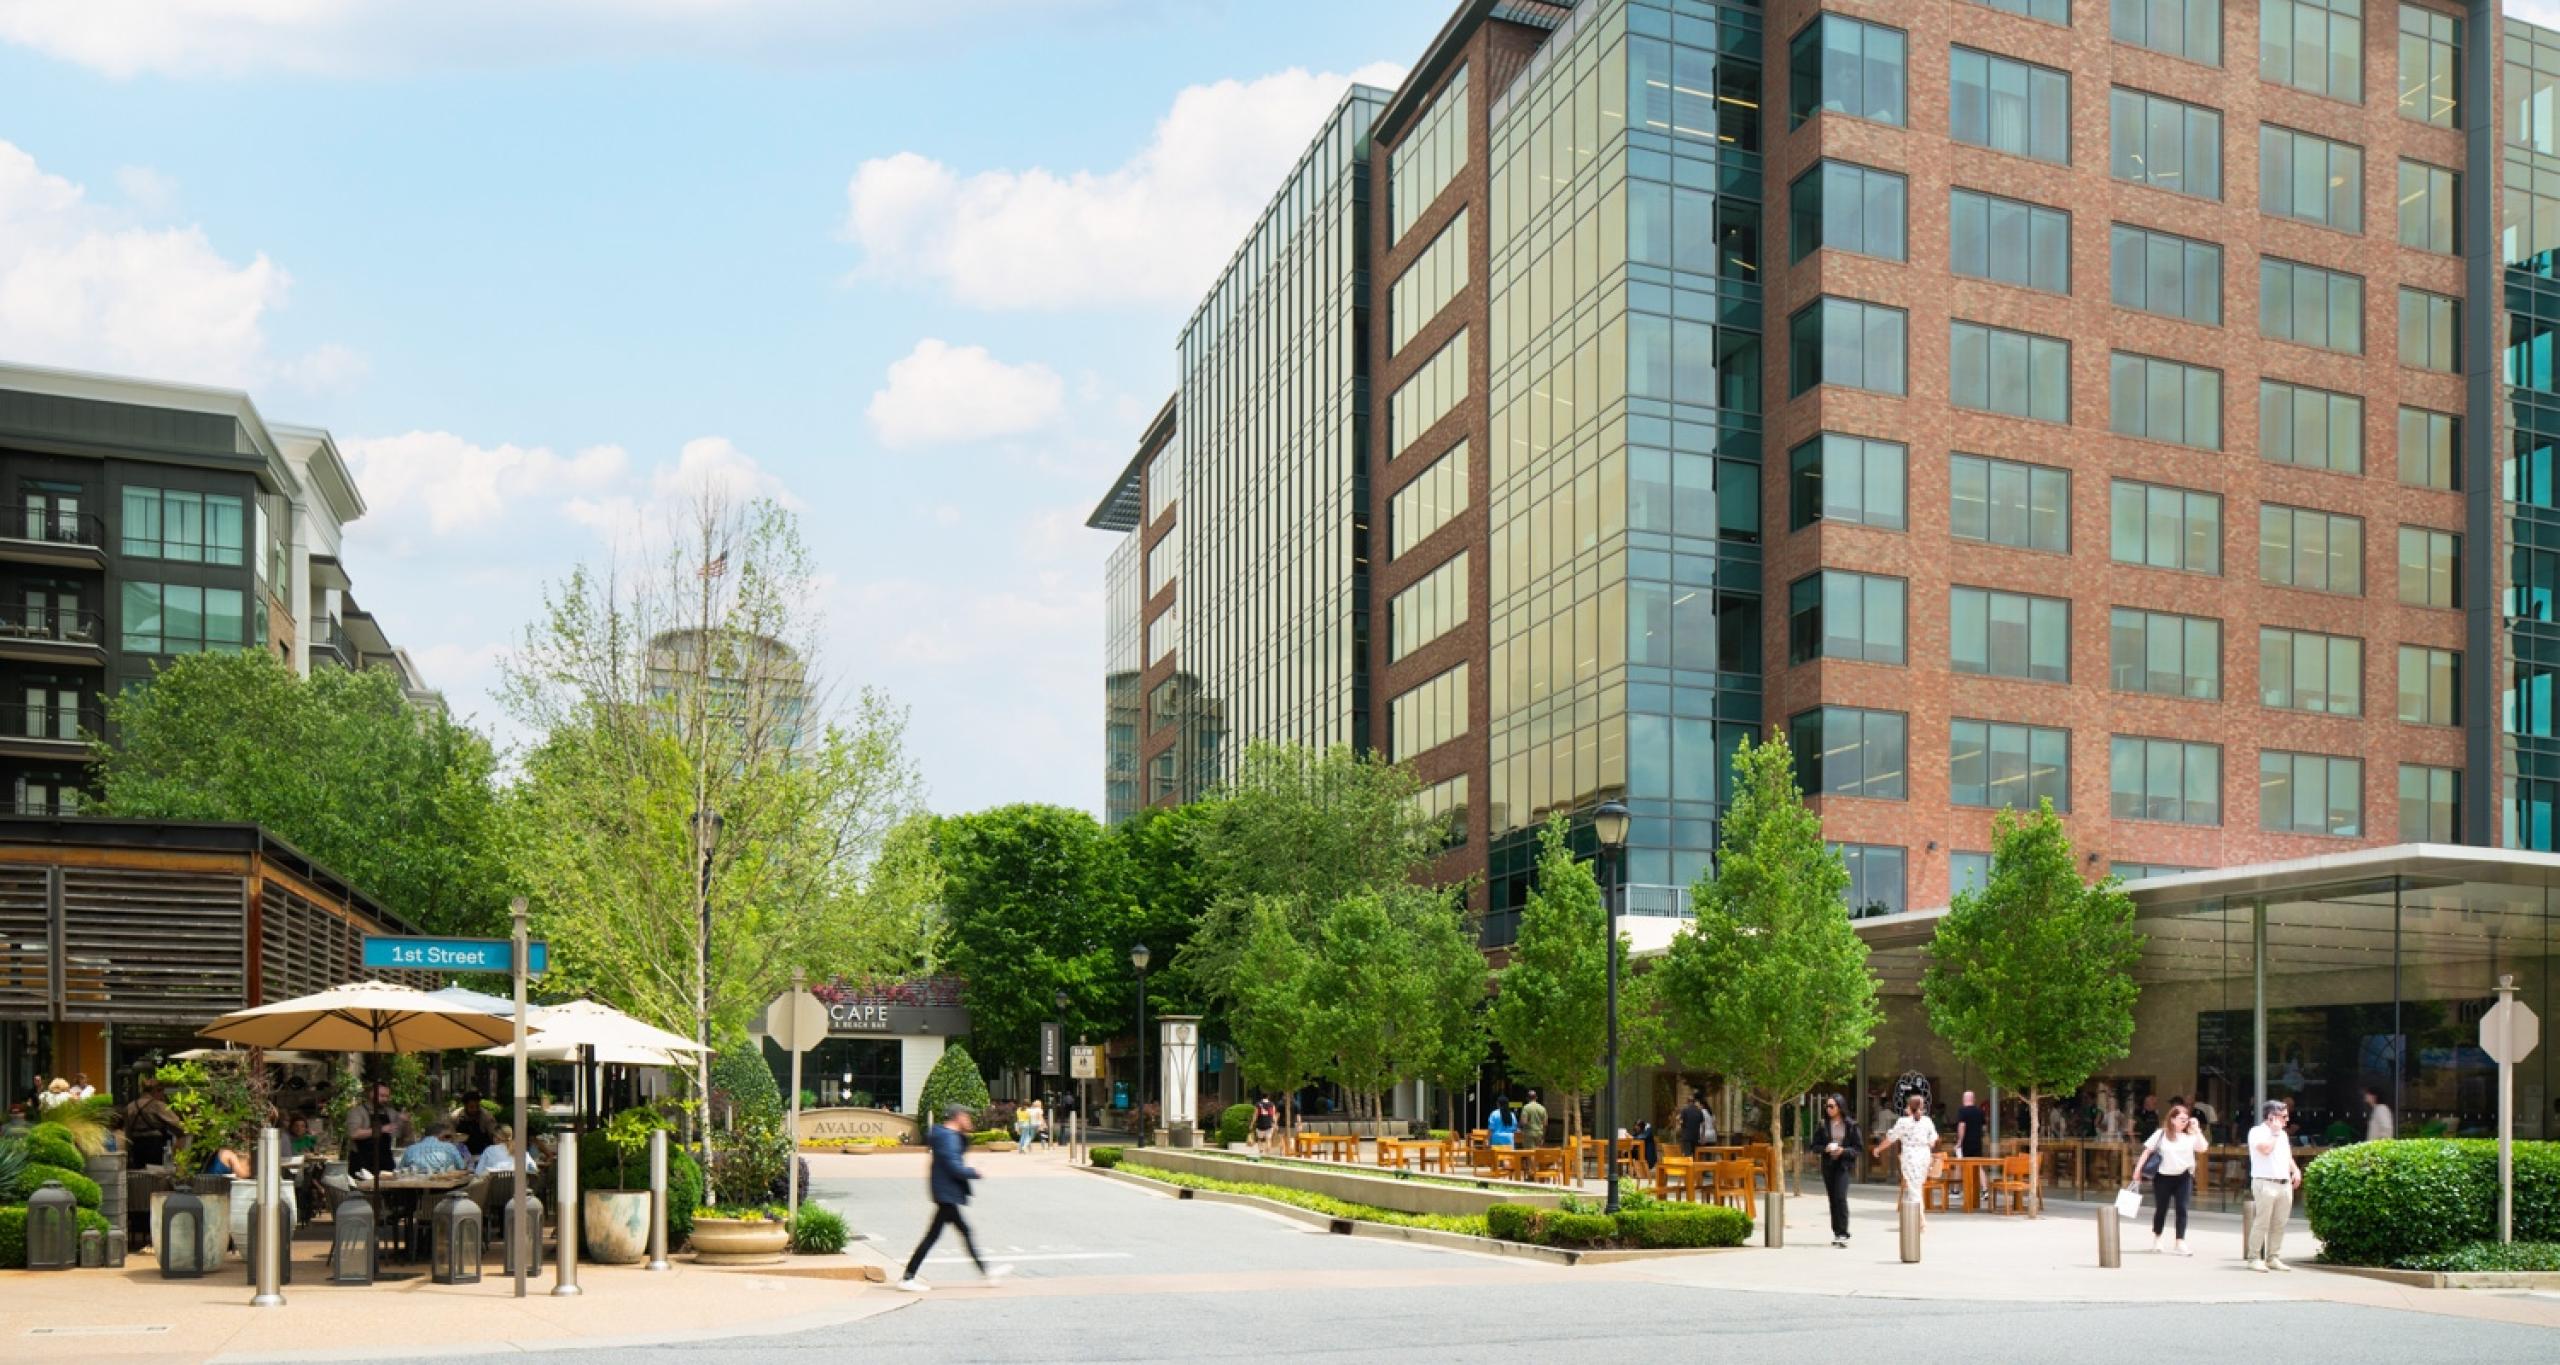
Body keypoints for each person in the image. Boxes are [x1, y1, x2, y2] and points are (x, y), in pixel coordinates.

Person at [894, 1103, 1014, 1292]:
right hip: (947, 1193)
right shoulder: (948, 1138)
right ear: (958, 1117)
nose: (969, 1119)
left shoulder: (948, 1136)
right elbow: (954, 1167)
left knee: (955, 1233)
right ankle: (908, 1278)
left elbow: (956, 1156)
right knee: (941, 1235)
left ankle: (986, 1273)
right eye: (966, 1116)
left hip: (945, 1192)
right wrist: (975, 1172)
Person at [2127, 1101, 2208, 1255]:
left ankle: (2180, 1241)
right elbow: (2147, 1151)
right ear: (2172, 1119)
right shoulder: (2161, 1134)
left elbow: (2203, 1148)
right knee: (2161, 1208)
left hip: (2184, 1177)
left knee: (2182, 1209)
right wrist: (2137, 1170)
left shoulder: (2190, 1135)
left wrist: (2197, 1130)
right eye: (2181, 1119)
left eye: (2186, 1120)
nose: (2184, 1122)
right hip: (2163, 1177)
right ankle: (2157, 1237)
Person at [2245, 1100, 2304, 1272]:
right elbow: (2265, 1149)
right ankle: (2254, 1257)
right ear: (2272, 1117)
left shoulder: (2283, 1135)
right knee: (2262, 1222)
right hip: (2265, 1182)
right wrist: (2275, 1134)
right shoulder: (2257, 1132)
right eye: (2283, 1116)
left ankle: (2273, 1257)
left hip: (2283, 1183)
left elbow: (2286, 1156)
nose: (2287, 1120)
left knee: (2280, 1222)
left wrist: (2295, 1170)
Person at [1872, 1091, 1939, 1230]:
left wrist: (1878, 1149)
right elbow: (1933, 1140)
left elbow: (1891, 1139)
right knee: (1917, 1187)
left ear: (1909, 1107)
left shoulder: (1903, 1122)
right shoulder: (1927, 1121)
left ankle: (1921, 1221)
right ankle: (1919, 1219)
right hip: (1924, 1155)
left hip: (1910, 1157)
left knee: (1914, 1189)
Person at [1810, 1094, 1864, 1248]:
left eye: (1831, 1106)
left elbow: (1858, 1148)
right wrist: (1825, 1149)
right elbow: (1814, 1146)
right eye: (1827, 1106)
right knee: (1833, 1199)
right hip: (1828, 1165)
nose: (1828, 1109)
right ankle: (1837, 1232)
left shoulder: (1851, 1125)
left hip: (1843, 1165)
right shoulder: (1823, 1125)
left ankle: (1843, 1232)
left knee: (1840, 1197)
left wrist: (1843, 1151)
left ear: (1839, 1107)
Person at [348, 1081, 406, 1174]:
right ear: (371, 1094)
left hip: (385, 1161)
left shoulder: (390, 1112)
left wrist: (404, 1121)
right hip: (362, 1162)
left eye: (387, 1096)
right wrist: (381, 1129)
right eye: (382, 1096)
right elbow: (354, 1134)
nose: (385, 1099)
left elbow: (399, 1134)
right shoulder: (358, 1112)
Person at [123, 1079, 179, 1168]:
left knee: (139, 1173)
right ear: (156, 1090)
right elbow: (177, 1123)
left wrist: (128, 1152)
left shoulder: (129, 1107)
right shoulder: (157, 1105)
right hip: (155, 1146)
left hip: (136, 1146)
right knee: (156, 1172)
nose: (163, 1096)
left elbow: (127, 1133)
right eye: (162, 1093)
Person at [396, 1119, 470, 1175]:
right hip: (442, 1187)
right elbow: (462, 1167)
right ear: (440, 1135)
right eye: (447, 1136)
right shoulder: (450, 1147)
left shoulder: (410, 1149)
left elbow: (400, 1170)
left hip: (415, 1187)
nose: (450, 1140)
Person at [471, 1124, 536, 1177]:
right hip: (518, 1187)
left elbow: (478, 1172)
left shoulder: (489, 1150)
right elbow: (533, 1169)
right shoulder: (520, 1149)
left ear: (495, 1138)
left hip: (495, 1187)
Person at [1954, 1090, 1985, 1160]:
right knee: (1977, 1163)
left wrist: (1960, 1141)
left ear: (1964, 1099)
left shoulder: (1962, 1111)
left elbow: (1962, 1126)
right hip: (1977, 1143)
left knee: (1963, 1163)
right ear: (1974, 1099)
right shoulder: (1980, 1111)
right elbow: (1984, 1127)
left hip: (1965, 1144)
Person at [1677, 1091, 1705, 1157]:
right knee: (1695, 1155)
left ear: (1687, 1102)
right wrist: (1702, 1136)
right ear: (1694, 1102)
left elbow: (1679, 1119)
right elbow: (1703, 1124)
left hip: (1687, 1136)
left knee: (1687, 1155)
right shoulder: (1699, 1111)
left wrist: (1681, 1126)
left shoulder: (1685, 1110)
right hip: (1696, 1137)